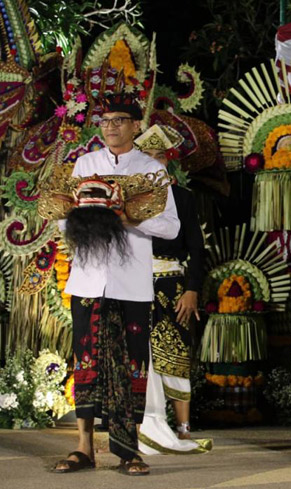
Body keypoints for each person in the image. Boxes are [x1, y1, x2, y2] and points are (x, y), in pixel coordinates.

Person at [52, 94, 180, 475]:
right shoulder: (84, 164)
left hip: (132, 283)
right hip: (88, 279)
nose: (110, 126)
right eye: (105, 120)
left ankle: (129, 451)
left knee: (132, 363)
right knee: (86, 361)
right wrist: (87, 218)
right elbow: (63, 220)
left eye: (119, 120)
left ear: (136, 125)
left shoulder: (151, 170)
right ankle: (83, 449)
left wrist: (128, 220)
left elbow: (171, 227)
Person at [134, 124, 211, 455]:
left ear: (167, 161)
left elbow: (197, 247)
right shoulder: (130, 200)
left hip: (173, 285)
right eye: (146, 156)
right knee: (138, 356)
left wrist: (192, 289)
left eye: (158, 156)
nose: (153, 162)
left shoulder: (183, 198)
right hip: (134, 285)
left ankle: (182, 430)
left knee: (177, 355)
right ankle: (139, 426)